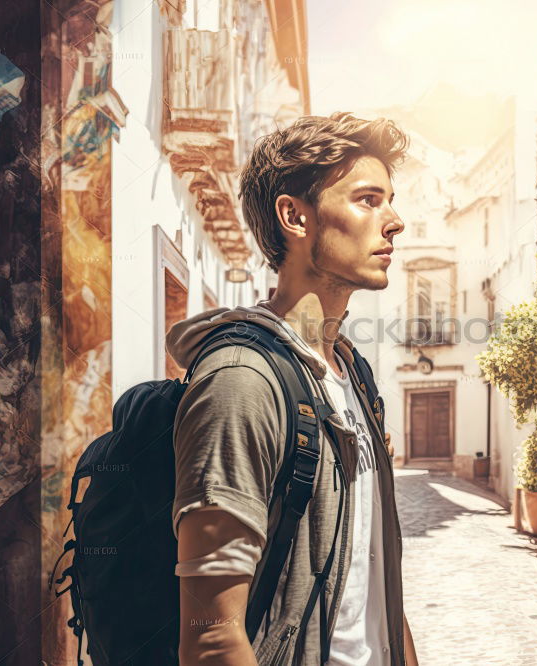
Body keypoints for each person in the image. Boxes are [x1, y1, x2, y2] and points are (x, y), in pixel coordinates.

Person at [166, 112, 419, 666]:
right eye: (368, 199)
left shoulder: (352, 374)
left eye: (390, 200)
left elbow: (374, 571)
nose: (395, 221)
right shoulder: (241, 381)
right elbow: (211, 636)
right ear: (295, 218)